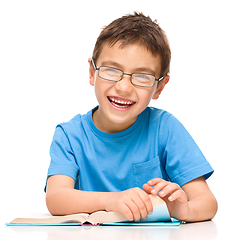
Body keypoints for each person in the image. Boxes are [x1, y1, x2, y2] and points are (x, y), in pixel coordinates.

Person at [45, 12, 217, 222]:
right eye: (110, 70)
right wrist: (113, 200)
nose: (124, 87)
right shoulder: (70, 135)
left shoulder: (165, 128)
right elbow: (56, 198)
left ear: (159, 87)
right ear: (92, 73)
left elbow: (207, 203)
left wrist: (182, 210)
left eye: (142, 76)